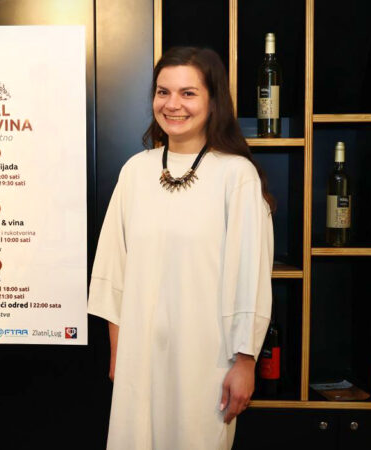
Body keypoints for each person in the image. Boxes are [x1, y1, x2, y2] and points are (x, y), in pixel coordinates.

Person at [88, 46, 275, 450]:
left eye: (188, 93)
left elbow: (251, 276)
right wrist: (119, 354)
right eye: (163, 92)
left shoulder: (236, 176)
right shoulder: (136, 171)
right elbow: (113, 270)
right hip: (139, 357)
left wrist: (245, 362)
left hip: (207, 360)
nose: (172, 104)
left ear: (214, 100)